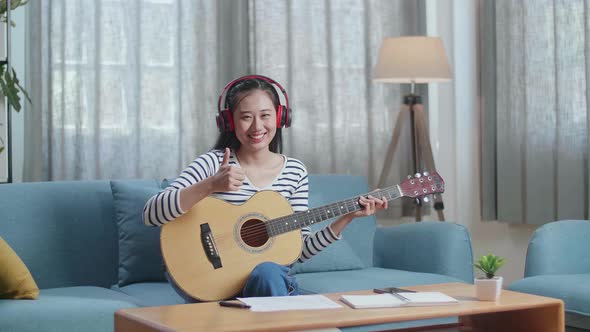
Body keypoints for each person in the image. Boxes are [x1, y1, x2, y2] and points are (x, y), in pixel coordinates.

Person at [143, 75, 387, 302]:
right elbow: (151, 214)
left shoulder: (295, 171)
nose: (257, 126)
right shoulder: (214, 163)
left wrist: (346, 217)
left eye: (265, 115)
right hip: (208, 282)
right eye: (246, 116)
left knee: (268, 273)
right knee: (271, 276)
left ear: (280, 118)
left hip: (266, 284)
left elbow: (298, 252)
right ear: (229, 122)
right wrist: (211, 185)